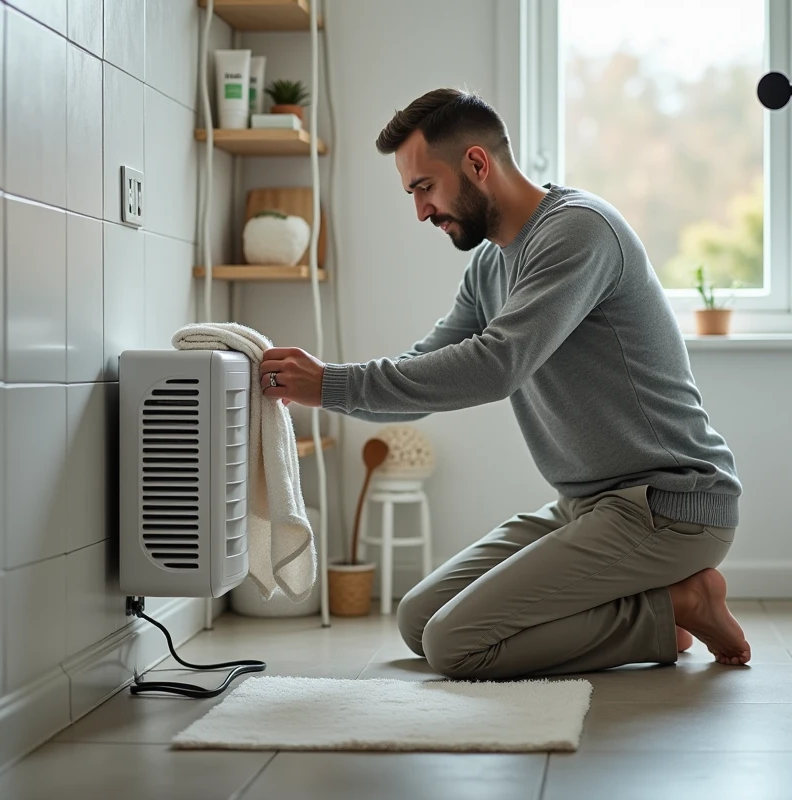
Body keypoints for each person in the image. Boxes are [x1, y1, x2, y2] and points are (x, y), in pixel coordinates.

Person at [260, 88, 750, 679]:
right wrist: (323, 386)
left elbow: (496, 365)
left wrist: (332, 384)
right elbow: (429, 362)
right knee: (419, 620)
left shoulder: (579, 232)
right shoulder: (490, 266)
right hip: (587, 507)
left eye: (424, 188)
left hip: (669, 508)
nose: (420, 211)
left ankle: (678, 604)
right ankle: (659, 611)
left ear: (475, 164)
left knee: (455, 645)